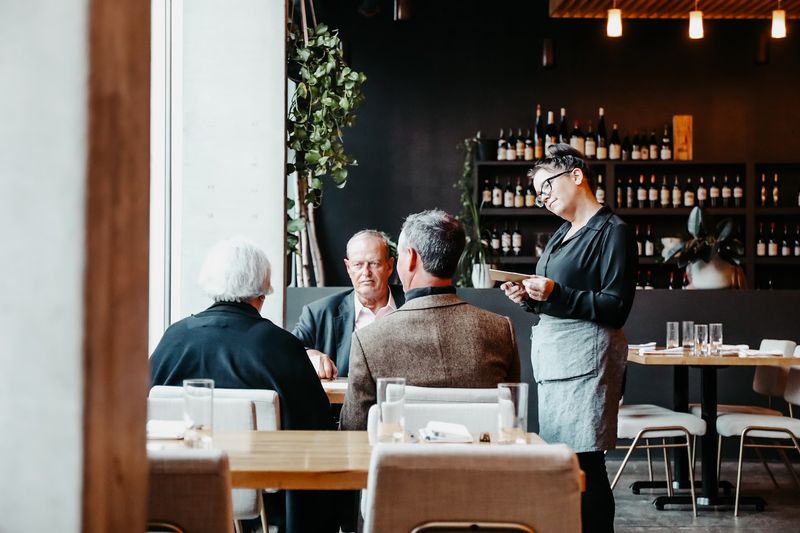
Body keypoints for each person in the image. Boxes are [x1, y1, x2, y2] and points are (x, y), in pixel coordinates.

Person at [150, 236, 337, 533]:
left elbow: (144, 416)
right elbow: (317, 427)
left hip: (176, 501)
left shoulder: (174, 339)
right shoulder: (280, 345)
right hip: (264, 510)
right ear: (263, 291)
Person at [500, 144, 637, 533]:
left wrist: (555, 293)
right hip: (559, 358)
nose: (543, 198)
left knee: (586, 462)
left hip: (588, 359)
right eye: (537, 193)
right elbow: (559, 298)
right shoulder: (563, 232)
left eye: (548, 186)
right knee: (568, 460)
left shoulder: (613, 232)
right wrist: (530, 298)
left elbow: (616, 306)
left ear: (576, 175)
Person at [340, 209, 521, 431]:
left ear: (412, 258)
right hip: (478, 464)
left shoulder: (368, 340)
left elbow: (353, 431)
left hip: (399, 465)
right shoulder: (501, 330)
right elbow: (511, 423)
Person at [292, 230, 405, 378]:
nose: (366, 272)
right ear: (348, 267)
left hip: (403, 399)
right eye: (358, 264)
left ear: (389, 266)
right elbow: (287, 351)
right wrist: (310, 354)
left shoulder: (412, 303)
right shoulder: (318, 313)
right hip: (344, 401)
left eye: (374, 263)